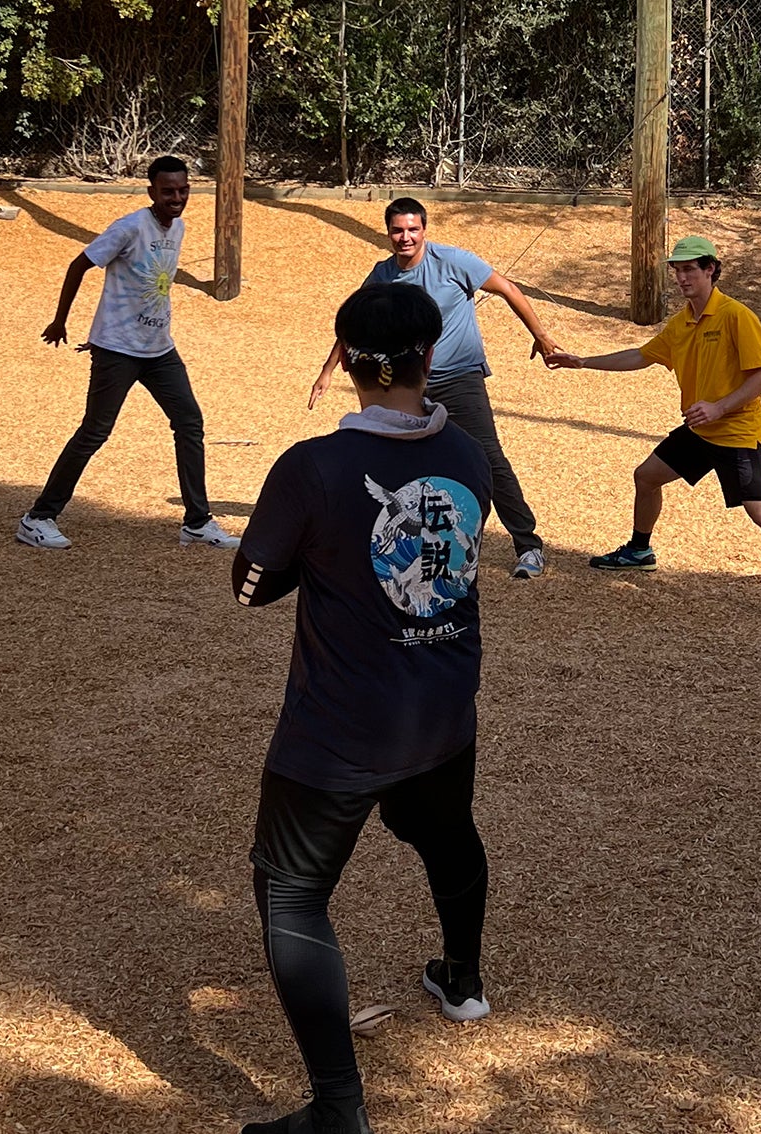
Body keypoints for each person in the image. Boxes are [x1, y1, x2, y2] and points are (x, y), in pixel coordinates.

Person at [235, 284, 494, 1134]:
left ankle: (338, 1111)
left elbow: (251, 589)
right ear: (430, 359)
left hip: (340, 729)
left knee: (293, 893)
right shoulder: (466, 451)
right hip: (443, 710)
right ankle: (462, 978)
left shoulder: (312, 466)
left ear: (345, 361)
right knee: (446, 833)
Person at [547, 236, 761, 626]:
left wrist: (719, 406)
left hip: (735, 432)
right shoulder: (682, 322)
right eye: (677, 270)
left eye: (690, 269)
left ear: (711, 270)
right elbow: (641, 355)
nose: (682, 277)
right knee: (646, 477)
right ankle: (639, 551)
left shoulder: (736, 316)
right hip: (700, 430)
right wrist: (583, 362)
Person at [308, 197, 559, 580]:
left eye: (412, 229)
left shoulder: (454, 262)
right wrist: (327, 370)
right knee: (405, 461)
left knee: (488, 456)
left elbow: (507, 288)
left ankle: (528, 545)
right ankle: (409, 543)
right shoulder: (383, 275)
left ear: (424, 230)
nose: (405, 237)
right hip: (409, 383)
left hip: (459, 377)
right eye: (397, 230)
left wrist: (541, 336)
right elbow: (354, 323)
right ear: (388, 232)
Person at [16, 155, 240, 551]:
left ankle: (197, 521)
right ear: (151, 191)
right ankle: (38, 517)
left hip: (159, 350)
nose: (177, 198)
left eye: (183, 190)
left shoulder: (179, 227)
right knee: (95, 431)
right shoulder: (129, 228)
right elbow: (77, 266)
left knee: (189, 423)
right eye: (168, 191)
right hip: (118, 351)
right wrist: (61, 321)